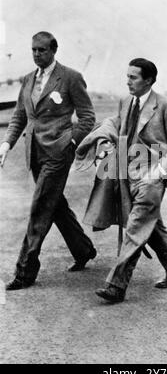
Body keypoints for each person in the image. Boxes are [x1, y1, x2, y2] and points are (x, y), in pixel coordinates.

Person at [76, 58, 167, 303]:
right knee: (151, 224)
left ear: (148, 80)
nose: (127, 81)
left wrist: (159, 172)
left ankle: (116, 285)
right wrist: (105, 144)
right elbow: (116, 126)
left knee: (137, 228)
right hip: (127, 174)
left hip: (152, 177)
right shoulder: (125, 102)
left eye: (133, 77)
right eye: (127, 76)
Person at [0, 31, 97, 291]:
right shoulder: (28, 79)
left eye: (42, 50)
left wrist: (71, 142)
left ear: (54, 50)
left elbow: (87, 117)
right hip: (34, 152)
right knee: (54, 204)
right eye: (33, 50)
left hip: (58, 153)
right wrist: (6, 143)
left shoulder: (70, 78)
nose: (36, 54)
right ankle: (83, 250)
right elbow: (20, 116)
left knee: (41, 206)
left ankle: (25, 271)